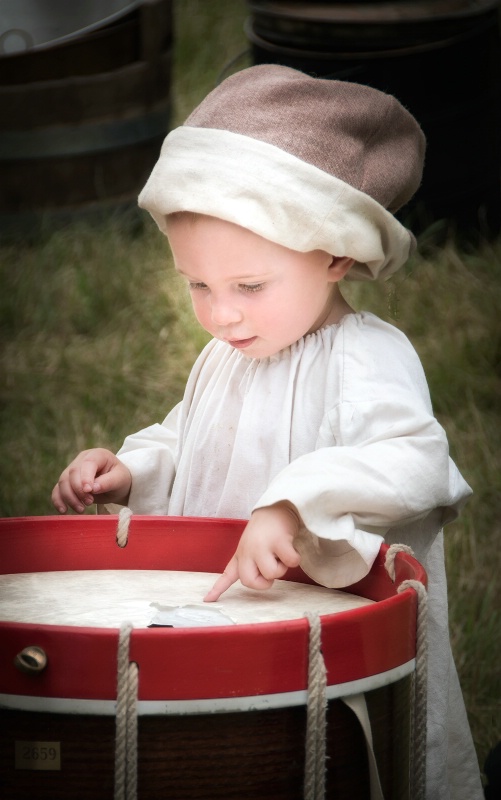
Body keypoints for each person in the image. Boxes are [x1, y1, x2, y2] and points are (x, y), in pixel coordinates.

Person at [52, 65, 483, 799]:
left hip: (325, 649)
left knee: (323, 767)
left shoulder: (365, 356)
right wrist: (132, 468)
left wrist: (294, 505)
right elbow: (189, 437)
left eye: (249, 285)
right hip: (223, 620)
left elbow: (414, 461)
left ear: (335, 254)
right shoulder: (228, 354)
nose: (221, 314)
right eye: (197, 285)